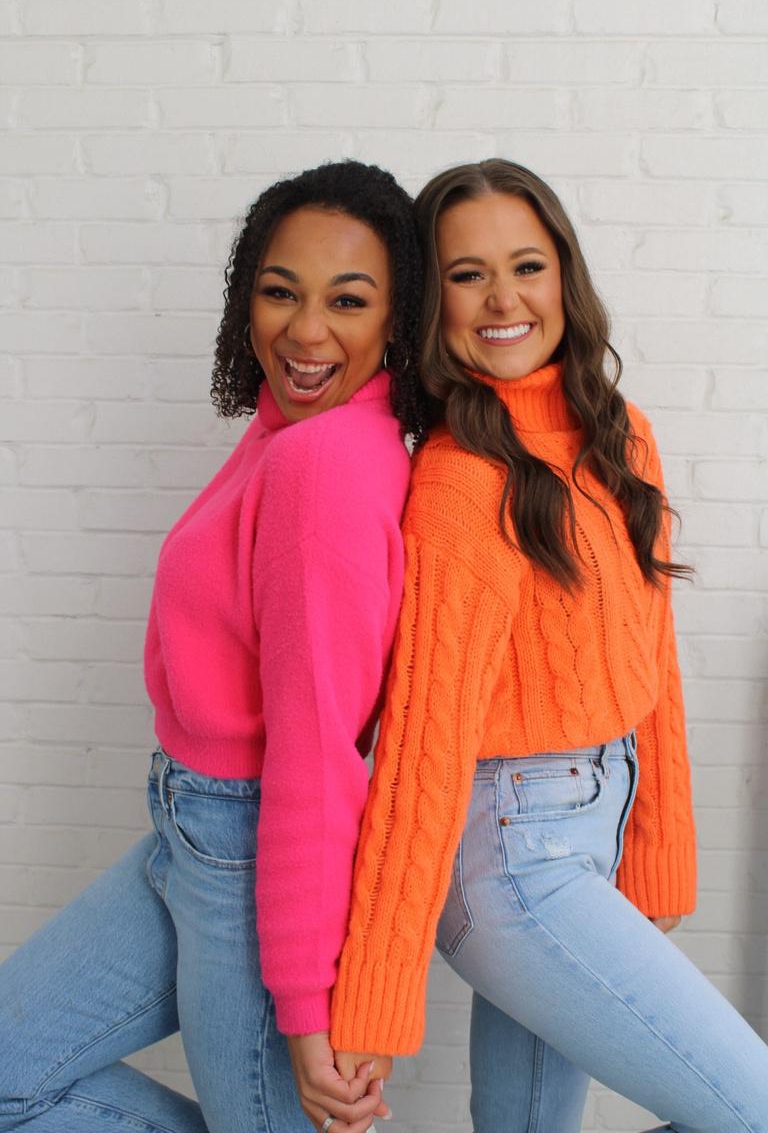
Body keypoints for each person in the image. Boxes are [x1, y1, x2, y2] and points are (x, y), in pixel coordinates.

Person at [325, 160, 768, 1132]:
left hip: (595, 824)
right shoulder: (459, 483)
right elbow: (422, 748)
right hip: (510, 863)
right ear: (431, 303)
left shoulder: (620, 436)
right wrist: (374, 996)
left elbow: (655, 660)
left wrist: (657, 847)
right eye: (467, 275)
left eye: (526, 266)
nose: (503, 300)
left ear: (565, 274)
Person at [0, 160, 433, 1133]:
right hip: (188, 832)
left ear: (397, 321)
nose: (306, 331)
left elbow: (317, 751)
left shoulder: (322, 466)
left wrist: (308, 1006)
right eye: (281, 292)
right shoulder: (291, 433)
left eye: (348, 301)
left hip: (245, 852)